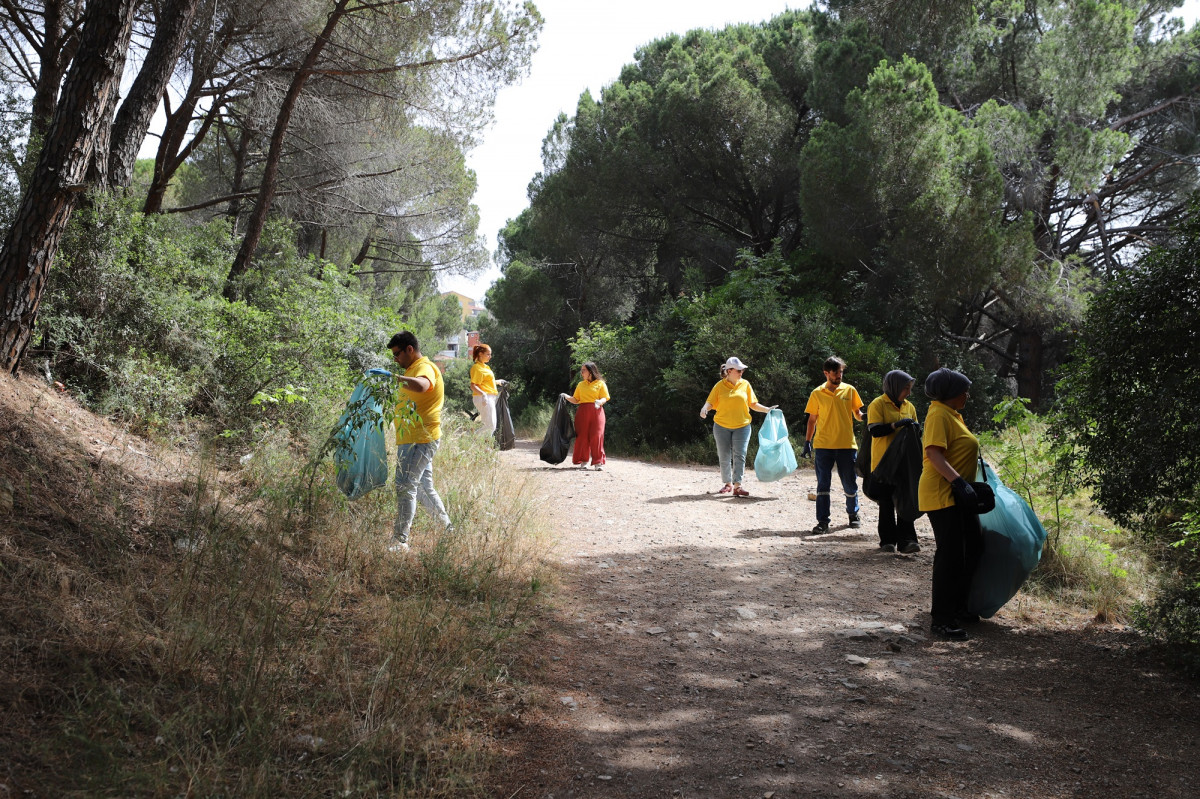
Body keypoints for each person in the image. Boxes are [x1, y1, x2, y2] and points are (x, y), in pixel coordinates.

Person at [918, 367, 983, 641]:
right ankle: (942, 620)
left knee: (973, 548)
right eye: (962, 390)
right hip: (942, 493)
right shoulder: (938, 414)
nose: (967, 394)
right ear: (950, 393)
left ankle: (959, 608)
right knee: (951, 556)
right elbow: (934, 453)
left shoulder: (953, 414)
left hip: (957, 494)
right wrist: (958, 482)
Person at [387, 331, 453, 552]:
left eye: (397, 354)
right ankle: (448, 531)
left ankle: (400, 540)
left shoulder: (424, 367)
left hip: (420, 439)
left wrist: (393, 379)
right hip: (415, 438)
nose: (395, 359)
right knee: (423, 487)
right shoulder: (411, 369)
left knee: (405, 485)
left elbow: (423, 386)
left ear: (409, 349)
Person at [803, 356, 865, 533]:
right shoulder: (817, 393)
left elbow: (857, 413)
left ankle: (853, 515)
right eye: (836, 373)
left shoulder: (850, 390)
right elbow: (812, 420)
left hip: (846, 445)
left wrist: (867, 417)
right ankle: (823, 521)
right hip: (823, 445)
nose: (839, 376)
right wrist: (807, 442)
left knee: (849, 483)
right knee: (823, 485)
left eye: (841, 372)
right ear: (826, 373)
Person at [700, 357, 776, 497]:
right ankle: (727, 484)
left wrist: (767, 410)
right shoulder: (719, 386)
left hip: (742, 426)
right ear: (729, 371)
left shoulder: (745, 384)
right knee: (724, 456)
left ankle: (737, 486)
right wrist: (705, 408)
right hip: (721, 426)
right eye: (739, 370)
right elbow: (710, 402)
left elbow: (753, 404)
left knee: (740, 455)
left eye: (742, 370)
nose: (741, 372)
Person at [866, 370, 920, 553]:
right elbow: (875, 431)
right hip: (884, 463)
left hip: (903, 463)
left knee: (905, 500)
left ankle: (907, 541)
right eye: (905, 388)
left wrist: (915, 428)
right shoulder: (878, 404)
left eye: (909, 389)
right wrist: (895, 425)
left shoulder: (909, 407)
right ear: (895, 386)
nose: (908, 393)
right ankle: (887, 541)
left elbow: (915, 433)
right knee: (887, 502)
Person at [564, 361, 610, 470]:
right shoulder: (581, 384)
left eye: (583, 370)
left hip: (597, 411)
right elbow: (576, 399)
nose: (581, 373)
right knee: (582, 436)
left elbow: (605, 397)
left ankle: (598, 462)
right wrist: (566, 396)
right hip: (582, 412)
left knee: (597, 436)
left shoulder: (600, 383)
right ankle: (583, 461)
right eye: (581, 370)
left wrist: (600, 402)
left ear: (590, 371)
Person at [469, 343, 503, 435]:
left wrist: (496, 382)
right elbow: (473, 385)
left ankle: (484, 447)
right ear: (480, 354)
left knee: (491, 425)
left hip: (489, 397)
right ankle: (474, 441)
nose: (490, 357)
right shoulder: (476, 368)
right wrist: (483, 395)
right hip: (483, 397)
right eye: (488, 354)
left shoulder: (486, 367)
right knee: (490, 425)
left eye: (490, 354)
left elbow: (485, 382)